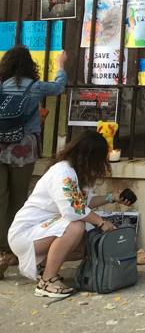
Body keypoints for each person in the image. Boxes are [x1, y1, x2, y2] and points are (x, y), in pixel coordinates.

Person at [6, 130, 132, 297]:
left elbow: (84, 202)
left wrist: (112, 197)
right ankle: (47, 281)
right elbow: (74, 209)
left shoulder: (74, 172)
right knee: (75, 227)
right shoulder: (63, 172)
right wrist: (101, 222)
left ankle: (45, 267)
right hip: (26, 234)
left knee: (82, 246)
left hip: (41, 231)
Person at [0, 46, 68, 280]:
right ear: (30, 65)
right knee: (19, 198)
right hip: (23, 149)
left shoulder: (1, 86)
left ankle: (0, 250)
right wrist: (61, 66)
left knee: (1, 197)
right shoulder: (34, 86)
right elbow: (59, 87)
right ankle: (13, 249)